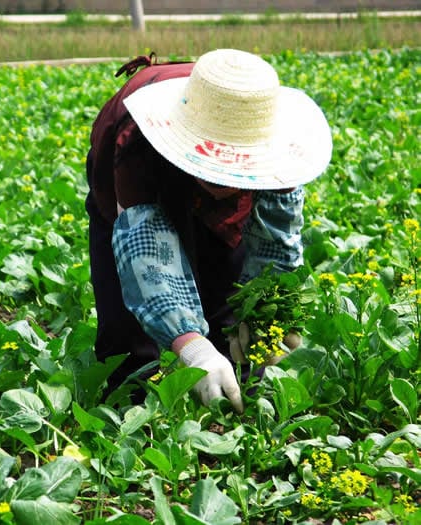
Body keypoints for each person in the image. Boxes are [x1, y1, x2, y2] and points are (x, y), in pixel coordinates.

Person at [85, 48, 332, 411]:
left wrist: (269, 314)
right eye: (214, 167)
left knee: (234, 319)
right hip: (138, 194)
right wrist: (192, 347)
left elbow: (276, 242)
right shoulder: (138, 141)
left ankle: (233, 410)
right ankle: (127, 422)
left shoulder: (277, 152)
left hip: (223, 211)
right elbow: (145, 256)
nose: (221, 179)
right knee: (127, 342)